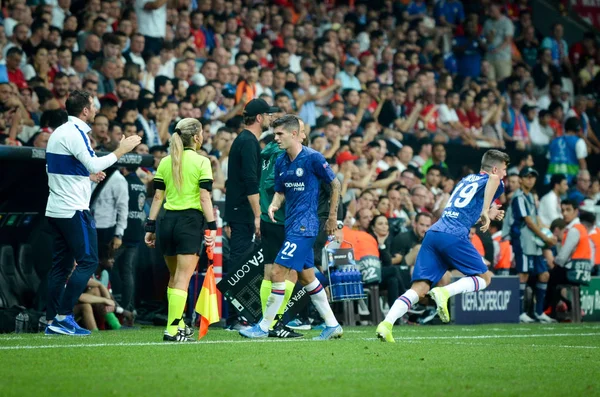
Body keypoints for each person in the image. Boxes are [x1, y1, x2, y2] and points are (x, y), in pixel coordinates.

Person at [376, 149, 509, 342]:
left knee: (419, 287)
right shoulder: (495, 179)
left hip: (435, 232)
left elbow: (464, 206)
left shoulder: (466, 180)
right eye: (504, 169)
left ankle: (386, 324)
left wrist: (488, 210)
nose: (505, 173)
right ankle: (444, 291)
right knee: (485, 278)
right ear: (495, 168)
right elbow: (494, 180)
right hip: (454, 235)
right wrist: (484, 211)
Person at [45, 90, 141, 336]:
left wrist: (85, 177)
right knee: (88, 261)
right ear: (85, 111)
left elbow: (57, 169)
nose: (96, 109)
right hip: (73, 209)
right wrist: (122, 149)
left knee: (60, 267)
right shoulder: (76, 133)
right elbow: (96, 163)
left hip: (56, 208)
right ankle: (63, 317)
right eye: (93, 106)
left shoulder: (59, 132)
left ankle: (52, 320)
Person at [240, 114, 343, 340]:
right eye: (274, 134)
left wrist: (332, 217)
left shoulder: (313, 158)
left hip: (305, 226)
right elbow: (280, 190)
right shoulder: (281, 161)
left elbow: (335, 184)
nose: (275, 138)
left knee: (277, 271)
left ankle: (264, 326)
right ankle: (333, 324)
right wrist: (274, 205)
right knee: (307, 277)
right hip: (290, 224)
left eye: (279, 134)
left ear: (294, 134)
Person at [144, 118, 217, 342]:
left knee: (175, 278)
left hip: (166, 221)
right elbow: (205, 197)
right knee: (183, 279)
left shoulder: (165, 161)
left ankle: (180, 324)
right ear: (196, 137)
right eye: (202, 132)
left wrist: (150, 225)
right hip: (189, 222)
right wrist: (212, 226)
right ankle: (172, 329)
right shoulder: (202, 162)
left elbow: (158, 197)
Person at [224, 98, 278, 329]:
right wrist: (258, 215)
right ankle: (235, 318)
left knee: (242, 260)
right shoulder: (248, 142)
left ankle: (241, 316)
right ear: (259, 118)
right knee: (239, 263)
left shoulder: (246, 140)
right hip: (243, 212)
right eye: (268, 115)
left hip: (239, 211)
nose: (270, 119)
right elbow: (249, 181)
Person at [506, 167, 557, 323]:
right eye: (527, 176)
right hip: (522, 240)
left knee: (544, 274)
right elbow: (528, 221)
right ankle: (520, 313)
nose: (530, 179)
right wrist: (545, 237)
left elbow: (536, 219)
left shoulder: (530, 197)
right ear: (521, 179)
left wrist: (549, 233)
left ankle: (539, 311)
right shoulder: (519, 197)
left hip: (533, 241)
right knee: (523, 274)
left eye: (532, 177)